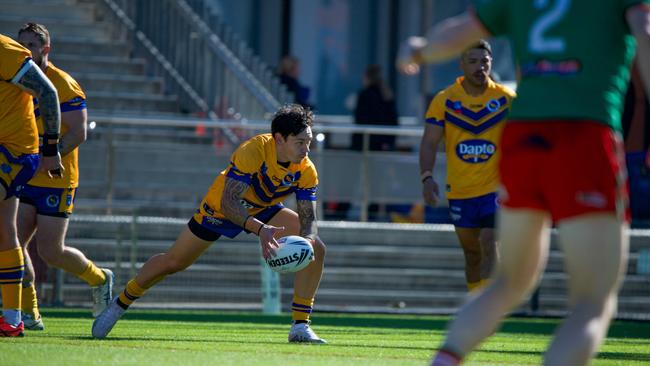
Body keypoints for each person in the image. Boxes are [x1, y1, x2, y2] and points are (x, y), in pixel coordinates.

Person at [397, 0, 650, 365]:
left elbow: (459, 32)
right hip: (584, 134)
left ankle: (445, 359)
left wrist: (419, 49)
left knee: (508, 282)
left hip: (524, 137)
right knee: (592, 302)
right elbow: (644, 33)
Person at [92, 104, 328, 343]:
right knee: (173, 262)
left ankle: (300, 326)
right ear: (279, 139)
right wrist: (260, 229)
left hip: (263, 209)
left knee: (316, 248)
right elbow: (229, 203)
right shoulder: (254, 150)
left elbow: (309, 219)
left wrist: (305, 243)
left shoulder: (306, 169)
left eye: (308, 142)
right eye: (300, 142)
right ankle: (120, 303)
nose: (306, 149)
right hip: (221, 208)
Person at [16, 23, 114, 331]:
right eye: (21, 45)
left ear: (46, 50)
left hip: (56, 178)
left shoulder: (63, 84)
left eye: (31, 45)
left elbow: (78, 133)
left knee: (51, 251)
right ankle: (29, 312)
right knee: (11, 244)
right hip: (24, 175)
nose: (25, 51)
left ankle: (99, 278)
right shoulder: (16, 79)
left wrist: (48, 154)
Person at [420, 40, 515, 292]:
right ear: (461, 64)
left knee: (489, 239)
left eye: (484, 61)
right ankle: (476, 301)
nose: (479, 67)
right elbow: (429, 142)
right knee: (472, 254)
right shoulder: (445, 100)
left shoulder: (506, 99)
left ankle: (488, 308)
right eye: (472, 61)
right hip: (460, 191)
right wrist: (427, 178)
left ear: (491, 63)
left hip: (496, 189)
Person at [0, 33, 63, 337]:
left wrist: (51, 149)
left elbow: (48, 93)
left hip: (13, 150)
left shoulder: (4, 49)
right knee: (5, 231)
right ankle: (12, 319)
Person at [351, 64, 399, 151]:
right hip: (383, 144)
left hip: (365, 143)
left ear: (367, 77)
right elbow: (393, 119)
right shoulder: (387, 95)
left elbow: (360, 119)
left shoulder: (364, 95)